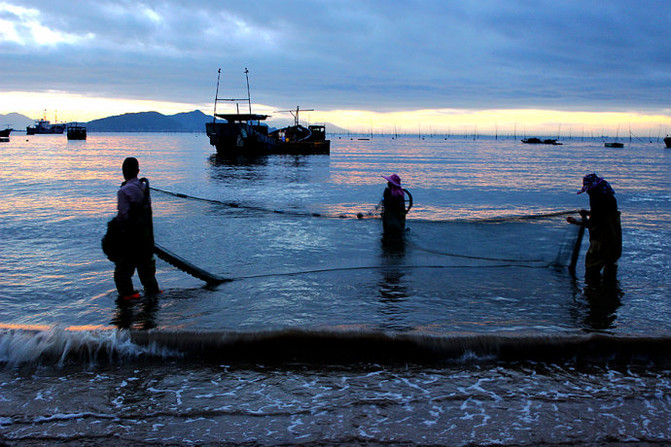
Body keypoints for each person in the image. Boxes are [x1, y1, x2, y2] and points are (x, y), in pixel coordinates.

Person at [113, 157, 160, 299]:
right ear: (137, 171)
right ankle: (152, 304)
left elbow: (123, 217)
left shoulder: (124, 191)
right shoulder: (144, 188)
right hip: (145, 239)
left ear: (123, 171)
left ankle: (128, 302)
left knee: (122, 275)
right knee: (147, 276)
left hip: (131, 241)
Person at [567, 173, 622, 282]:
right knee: (610, 266)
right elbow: (603, 214)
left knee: (592, 268)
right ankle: (609, 293)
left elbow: (595, 222)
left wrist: (576, 222)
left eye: (588, 189)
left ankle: (592, 291)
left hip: (603, 241)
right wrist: (588, 213)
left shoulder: (597, 198)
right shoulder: (608, 197)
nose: (587, 192)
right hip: (614, 240)